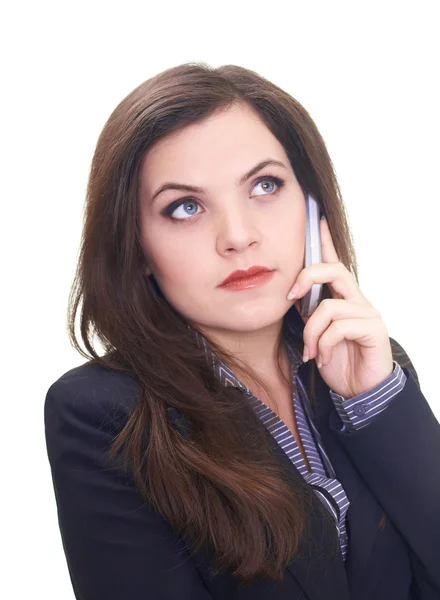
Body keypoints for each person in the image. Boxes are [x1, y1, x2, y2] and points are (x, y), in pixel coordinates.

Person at [44, 62, 440, 600]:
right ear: (136, 248)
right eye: (185, 207)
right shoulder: (103, 415)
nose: (237, 237)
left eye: (265, 185)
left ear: (313, 207)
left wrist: (377, 402)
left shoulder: (370, 369)